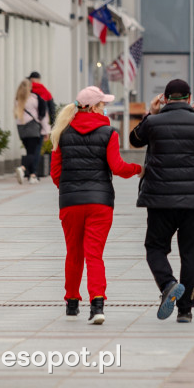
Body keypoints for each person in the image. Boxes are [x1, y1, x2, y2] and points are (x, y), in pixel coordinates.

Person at [130, 79, 194, 324]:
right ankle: (185, 309)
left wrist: (151, 112)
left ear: (164, 97)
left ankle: (168, 283)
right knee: (190, 254)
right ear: (190, 97)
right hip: (193, 199)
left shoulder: (152, 121)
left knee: (155, 248)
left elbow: (134, 140)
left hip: (160, 198)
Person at [50, 86, 141, 325]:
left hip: (70, 203)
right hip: (100, 203)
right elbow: (118, 167)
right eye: (102, 104)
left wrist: (70, 189)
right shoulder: (108, 132)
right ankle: (97, 305)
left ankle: (71, 302)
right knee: (94, 255)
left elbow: (55, 173)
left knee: (74, 253)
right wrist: (139, 169)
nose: (105, 108)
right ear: (92, 106)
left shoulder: (62, 132)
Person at [14, 79, 51, 184]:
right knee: (34, 152)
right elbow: (43, 116)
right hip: (33, 127)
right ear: (29, 87)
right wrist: (46, 131)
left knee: (29, 151)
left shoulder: (18, 100)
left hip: (21, 129)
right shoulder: (34, 99)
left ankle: (32, 175)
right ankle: (23, 168)